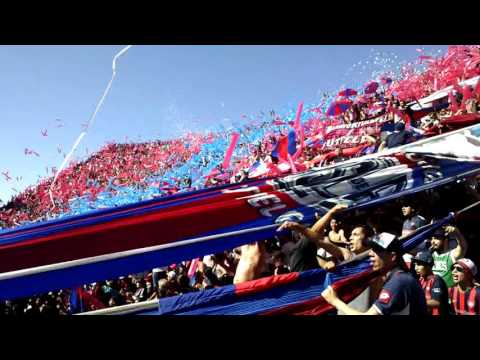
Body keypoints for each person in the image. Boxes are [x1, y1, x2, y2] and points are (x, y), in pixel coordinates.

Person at [321, 232, 428, 315]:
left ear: (393, 256)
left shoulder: (399, 281)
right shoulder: (397, 277)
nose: (371, 253)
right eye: (371, 249)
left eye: (377, 250)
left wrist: (335, 301)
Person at [412, 251, 451, 315]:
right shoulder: (421, 280)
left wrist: (414, 302)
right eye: (415, 264)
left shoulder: (436, 280)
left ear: (428, 265)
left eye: (419, 264)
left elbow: (436, 302)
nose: (416, 268)